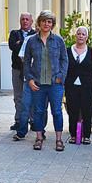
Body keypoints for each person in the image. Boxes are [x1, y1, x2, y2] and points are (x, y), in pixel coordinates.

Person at [23, 10, 68, 151]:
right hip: (38, 84)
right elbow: (26, 63)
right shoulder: (31, 41)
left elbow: (64, 60)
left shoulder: (58, 40)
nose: (46, 24)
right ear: (39, 23)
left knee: (57, 112)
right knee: (38, 111)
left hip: (55, 83)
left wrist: (61, 76)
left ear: (52, 24)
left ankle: (59, 140)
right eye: (44, 21)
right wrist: (29, 79)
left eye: (49, 22)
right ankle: (38, 138)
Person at [65, 25, 92, 144]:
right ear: (75, 35)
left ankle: (86, 135)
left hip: (87, 86)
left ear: (87, 37)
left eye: (83, 34)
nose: (81, 36)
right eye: (79, 33)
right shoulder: (68, 51)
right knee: (72, 110)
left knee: (87, 110)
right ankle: (73, 135)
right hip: (71, 85)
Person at [8, 12, 34, 133]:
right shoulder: (14, 33)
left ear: (31, 21)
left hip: (32, 70)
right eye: (23, 19)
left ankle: (33, 120)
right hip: (17, 69)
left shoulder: (36, 34)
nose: (25, 21)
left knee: (32, 96)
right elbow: (13, 47)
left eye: (27, 19)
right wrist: (23, 44)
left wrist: (21, 43)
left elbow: (32, 50)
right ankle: (19, 120)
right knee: (18, 96)